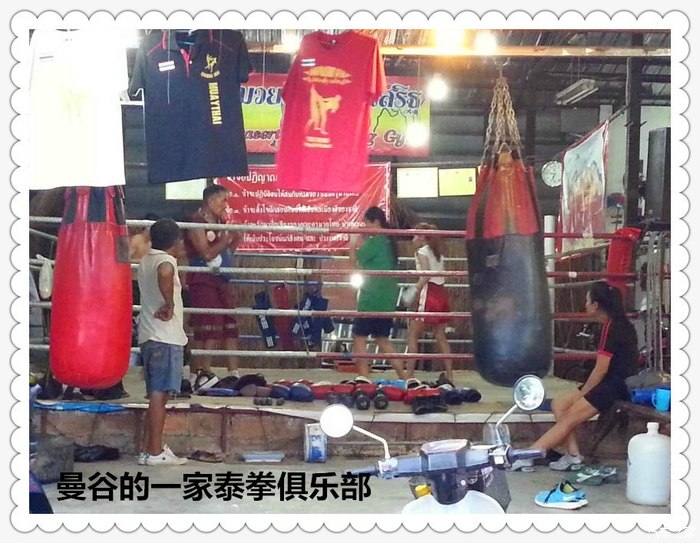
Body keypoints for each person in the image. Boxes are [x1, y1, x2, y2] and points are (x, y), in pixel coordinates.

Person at [509, 281, 638, 472]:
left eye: (587, 300)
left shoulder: (612, 327)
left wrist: (584, 393)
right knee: (559, 404)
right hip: (609, 382)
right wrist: (584, 392)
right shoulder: (615, 324)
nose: (585, 305)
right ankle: (574, 455)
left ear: (596, 305)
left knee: (569, 417)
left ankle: (528, 456)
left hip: (615, 386)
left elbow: (601, 369)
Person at [137, 218, 189, 466]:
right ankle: (156, 452)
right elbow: (165, 273)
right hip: (164, 336)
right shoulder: (165, 261)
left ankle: (147, 449)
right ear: (175, 241)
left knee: (155, 396)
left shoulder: (145, 259)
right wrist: (169, 305)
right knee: (160, 395)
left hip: (149, 335)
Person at [184, 185, 242, 390]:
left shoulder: (220, 222)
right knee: (209, 324)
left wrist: (236, 238)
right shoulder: (196, 223)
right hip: (202, 279)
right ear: (211, 201)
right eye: (223, 200)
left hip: (222, 278)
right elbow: (206, 254)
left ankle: (234, 373)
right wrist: (225, 240)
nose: (226, 205)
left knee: (229, 323)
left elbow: (226, 252)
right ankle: (201, 374)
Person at [349, 206, 404, 380]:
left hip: (371, 298)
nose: (365, 227)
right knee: (382, 339)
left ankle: (364, 378)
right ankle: (405, 377)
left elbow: (354, 261)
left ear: (376, 222)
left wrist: (352, 244)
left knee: (359, 337)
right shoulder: (389, 242)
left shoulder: (376, 241)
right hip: (387, 299)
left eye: (367, 223)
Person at [404, 222, 453, 382]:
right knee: (440, 335)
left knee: (413, 334)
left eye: (415, 234)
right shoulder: (437, 252)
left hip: (429, 293)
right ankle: (450, 375)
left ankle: (409, 374)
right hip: (441, 293)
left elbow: (426, 275)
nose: (413, 238)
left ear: (422, 236)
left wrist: (413, 291)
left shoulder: (422, 251)